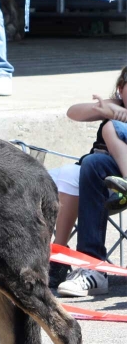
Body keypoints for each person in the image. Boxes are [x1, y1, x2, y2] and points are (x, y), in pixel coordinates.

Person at [49, 66, 127, 297]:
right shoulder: (115, 106)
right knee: (91, 164)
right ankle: (88, 266)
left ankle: (59, 258)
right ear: (121, 90)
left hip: (111, 179)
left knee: (111, 129)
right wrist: (108, 109)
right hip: (103, 174)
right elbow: (73, 112)